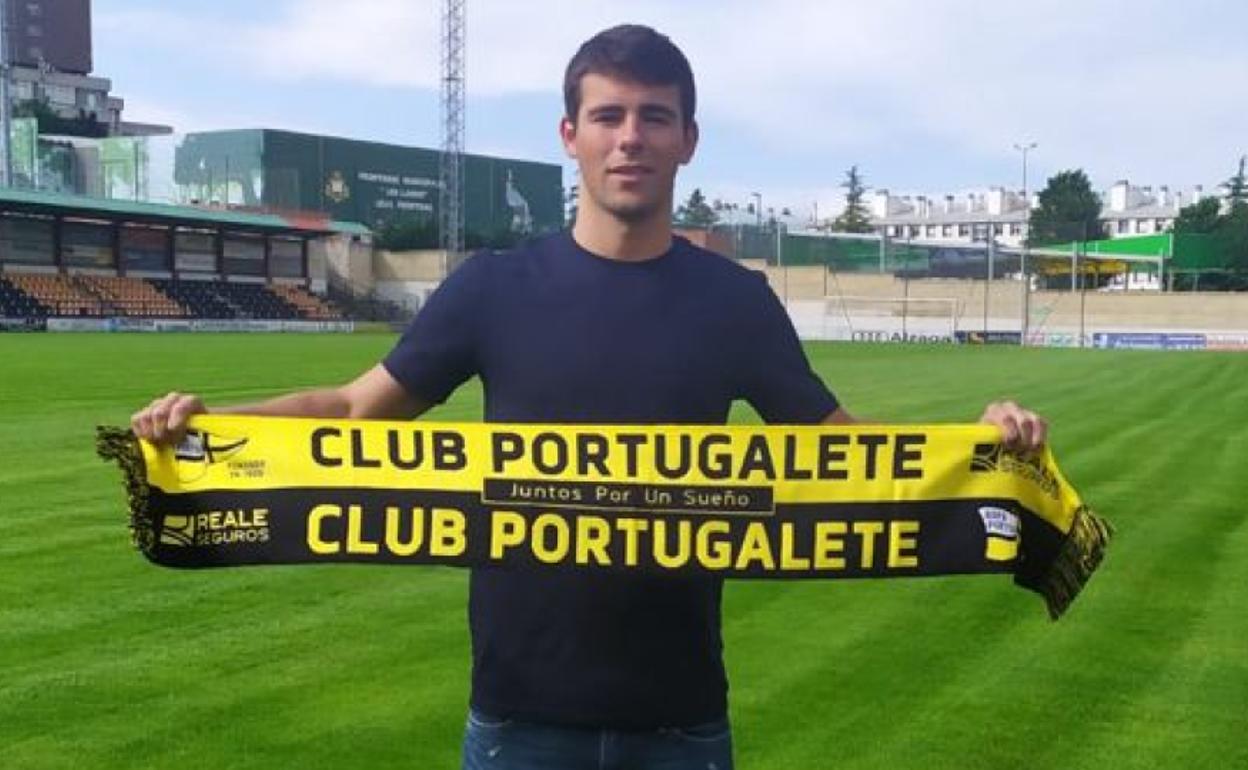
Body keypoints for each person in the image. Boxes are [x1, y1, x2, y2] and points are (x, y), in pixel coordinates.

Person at [131, 24, 1047, 770]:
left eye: (655, 116)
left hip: (682, 722)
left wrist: (983, 452)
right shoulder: (493, 289)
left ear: (688, 139)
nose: (630, 136)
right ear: (569, 135)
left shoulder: (734, 303)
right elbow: (349, 412)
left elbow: (846, 453)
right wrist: (209, 427)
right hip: (518, 722)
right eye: (608, 115)